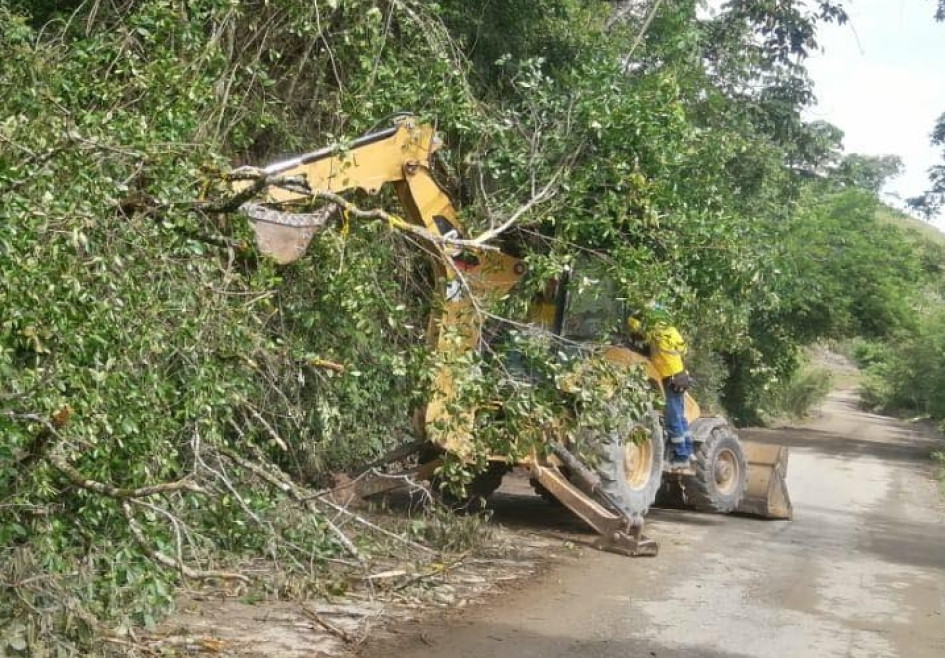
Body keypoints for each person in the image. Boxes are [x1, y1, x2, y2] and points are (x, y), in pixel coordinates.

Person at [626, 307, 693, 468]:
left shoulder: (655, 332)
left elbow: (634, 325)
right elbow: (683, 349)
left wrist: (633, 314)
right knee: (680, 416)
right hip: (681, 376)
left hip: (671, 379)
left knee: (672, 418)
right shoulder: (671, 331)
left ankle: (681, 457)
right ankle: (688, 451)